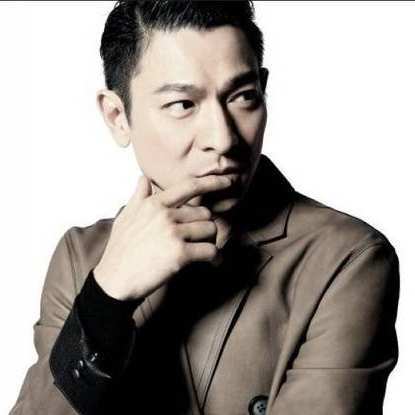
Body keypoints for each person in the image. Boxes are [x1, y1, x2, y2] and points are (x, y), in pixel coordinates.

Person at [10, 1, 400, 414]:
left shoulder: (345, 258)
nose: (223, 138)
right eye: (184, 104)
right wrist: (106, 299)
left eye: (243, 97)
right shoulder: (83, 258)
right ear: (117, 116)